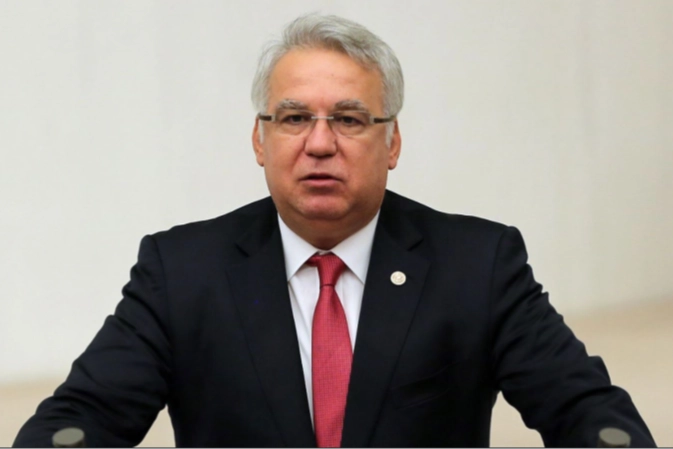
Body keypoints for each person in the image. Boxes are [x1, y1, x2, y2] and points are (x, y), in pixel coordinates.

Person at [14, 13, 655, 448]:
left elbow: (582, 410)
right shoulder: (182, 271)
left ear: (392, 141)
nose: (319, 144)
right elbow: (85, 416)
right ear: (260, 140)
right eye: (294, 118)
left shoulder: (477, 264)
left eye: (349, 120)